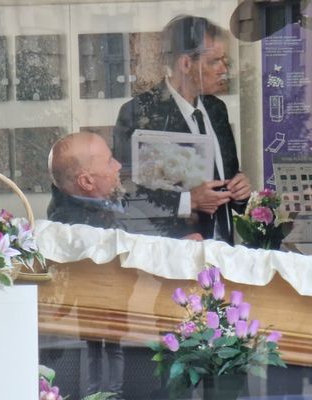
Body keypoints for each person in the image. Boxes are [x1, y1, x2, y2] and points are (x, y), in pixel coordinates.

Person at [46, 132, 201, 398]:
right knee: (102, 352)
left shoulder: (107, 202)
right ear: (86, 181)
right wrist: (179, 248)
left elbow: (141, 234)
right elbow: (124, 248)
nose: (119, 165)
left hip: (137, 317)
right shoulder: (76, 222)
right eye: (109, 162)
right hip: (117, 314)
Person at [113, 15, 251, 244]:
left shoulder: (217, 109)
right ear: (186, 64)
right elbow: (126, 195)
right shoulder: (139, 113)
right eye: (215, 61)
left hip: (224, 250)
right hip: (174, 252)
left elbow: (226, 177)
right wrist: (188, 201)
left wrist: (240, 192)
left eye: (225, 60)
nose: (224, 69)